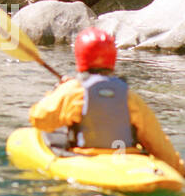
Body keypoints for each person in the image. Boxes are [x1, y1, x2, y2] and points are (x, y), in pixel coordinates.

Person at [30, 27, 185, 173]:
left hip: (86, 160)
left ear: (80, 57)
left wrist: (57, 91)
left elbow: (39, 119)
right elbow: (157, 142)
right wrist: (179, 170)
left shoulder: (73, 90)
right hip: (127, 160)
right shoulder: (129, 96)